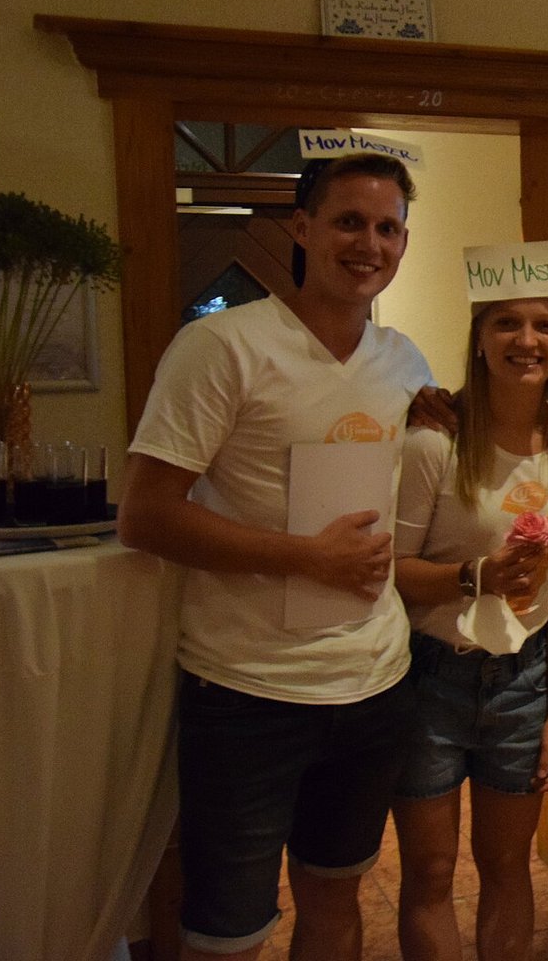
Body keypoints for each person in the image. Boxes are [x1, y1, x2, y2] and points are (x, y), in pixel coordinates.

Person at [117, 152, 433, 961]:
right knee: (228, 931)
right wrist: (305, 558)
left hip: (375, 683)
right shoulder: (221, 346)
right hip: (248, 693)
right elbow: (146, 515)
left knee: (337, 896)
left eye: (388, 227)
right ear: (303, 228)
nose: (369, 244)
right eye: (349, 222)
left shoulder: (406, 363)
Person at [390, 292, 548, 961]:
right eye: (507, 323)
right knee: (429, 871)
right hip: (430, 677)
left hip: (522, 681)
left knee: (508, 865)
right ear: (479, 337)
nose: (526, 340)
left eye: (545, 326)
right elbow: (394, 570)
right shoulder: (434, 442)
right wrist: (477, 575)